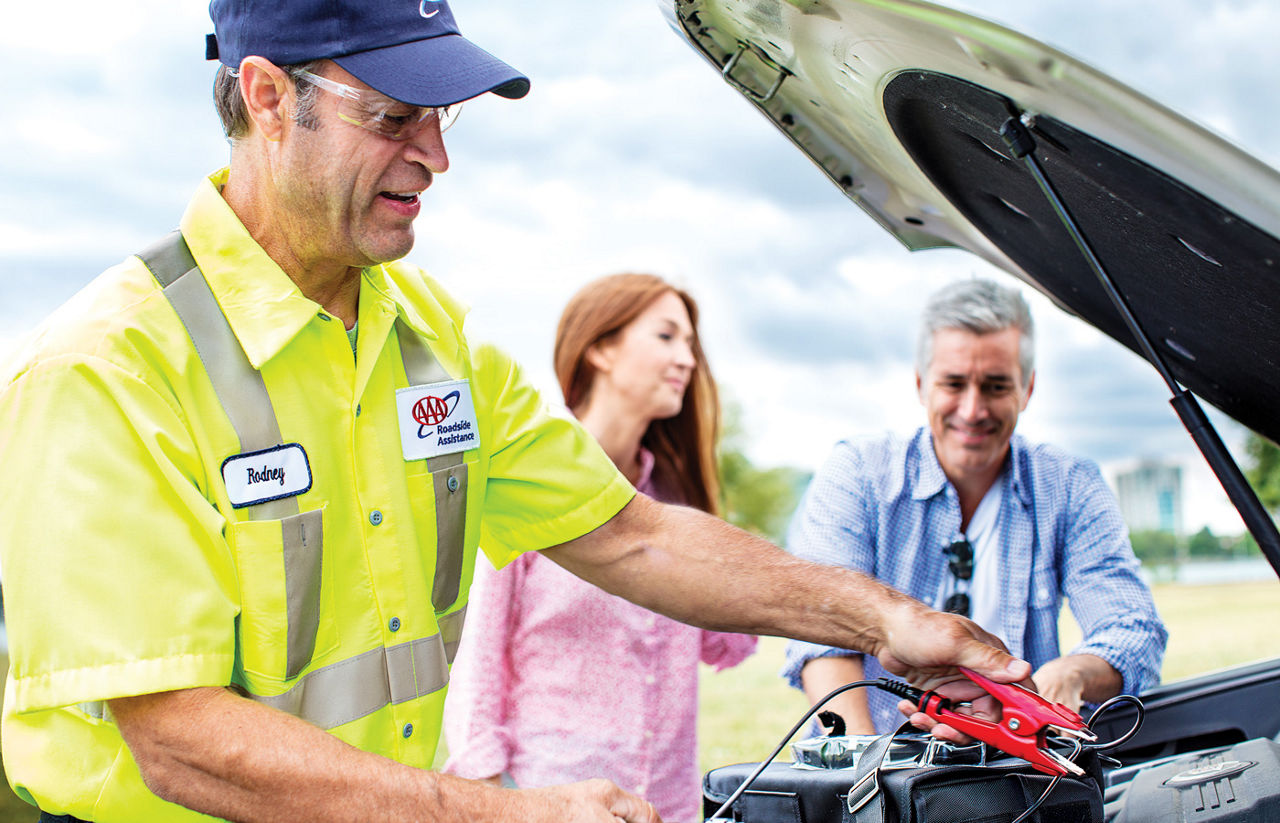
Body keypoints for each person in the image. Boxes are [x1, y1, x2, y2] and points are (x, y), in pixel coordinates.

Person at [0, 3, 1030, 821]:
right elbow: (176, 737)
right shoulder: (107, 368)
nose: (435, 157)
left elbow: (628, 534)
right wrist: (491, 813)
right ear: (269, 98)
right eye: (393, 116)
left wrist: (890, 618)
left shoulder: (427, 338)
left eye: (442, 117)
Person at [783, 278, 1168, 735]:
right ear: (922, 384)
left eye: (995, 386)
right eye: (954, 384)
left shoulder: (1070, 485)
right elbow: (822, 630)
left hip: (1024, 767)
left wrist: (1072, 674)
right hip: (876, 756)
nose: (972, 409)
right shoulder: (858, 472)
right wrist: (867, 779)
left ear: (1027, 389)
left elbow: (1134, 628)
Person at [443, 273, 757, 822]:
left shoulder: (676, 502)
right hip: (550, 802)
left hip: (670, 808)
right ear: (601, 350)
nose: (687, 358)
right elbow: (477, 661)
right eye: (667, 337)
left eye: (691, 343)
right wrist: (492, 799)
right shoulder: (531, 481)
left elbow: (728, 646)